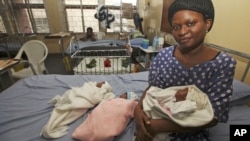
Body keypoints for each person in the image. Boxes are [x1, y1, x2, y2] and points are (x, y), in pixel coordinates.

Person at [134, 0, 237, 141]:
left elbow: (214, 116)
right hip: (155, 119)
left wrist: (157, 127)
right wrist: (138, 110)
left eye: (190, 23)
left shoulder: (222, 64)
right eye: (176, 27)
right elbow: (152, 89)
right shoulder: (163, 56)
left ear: (207, 23)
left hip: (192, 133)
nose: (182, 32)